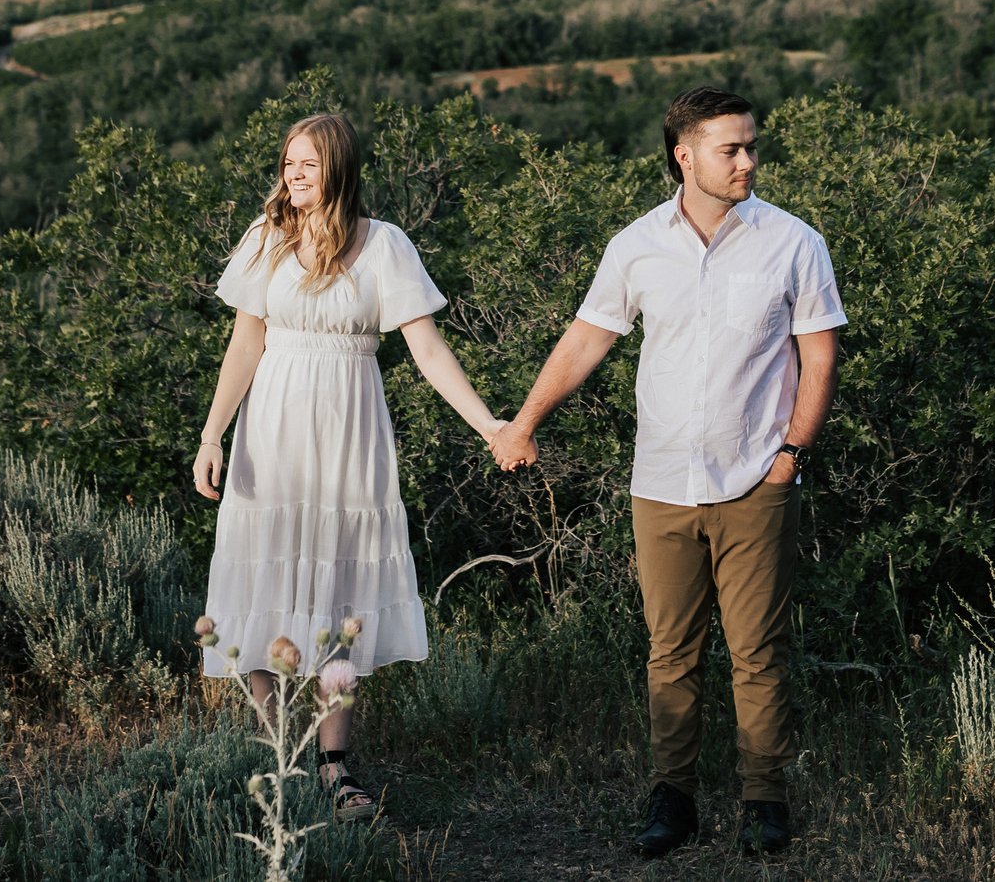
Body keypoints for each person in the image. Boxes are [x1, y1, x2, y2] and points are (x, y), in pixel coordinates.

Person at [493, 86, 842, 858]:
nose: (749, 159)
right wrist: (524, 421)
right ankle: (673, 799)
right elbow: (587, 339)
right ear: (684, 155)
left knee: (757, 650)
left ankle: (764, 800)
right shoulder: (637, 244)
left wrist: (790, 455)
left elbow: (818, 356)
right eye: (732, 148)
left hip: (756, 477)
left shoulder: (793, 241)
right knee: (671, 651)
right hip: (660, 483)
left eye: (752, 145)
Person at [195, 112, 511, 821]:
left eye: (308, 163)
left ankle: (336, 765)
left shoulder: (384, 246)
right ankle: (274, 754)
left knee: (340, 600)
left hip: (348, 436)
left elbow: (427, 351)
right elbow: (245, 343)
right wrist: (212, 433)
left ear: (339, 168)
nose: (293, 175)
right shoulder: (265, 238)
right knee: (261, 578)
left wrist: (489, 421)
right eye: (287, 163)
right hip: (270, 431)